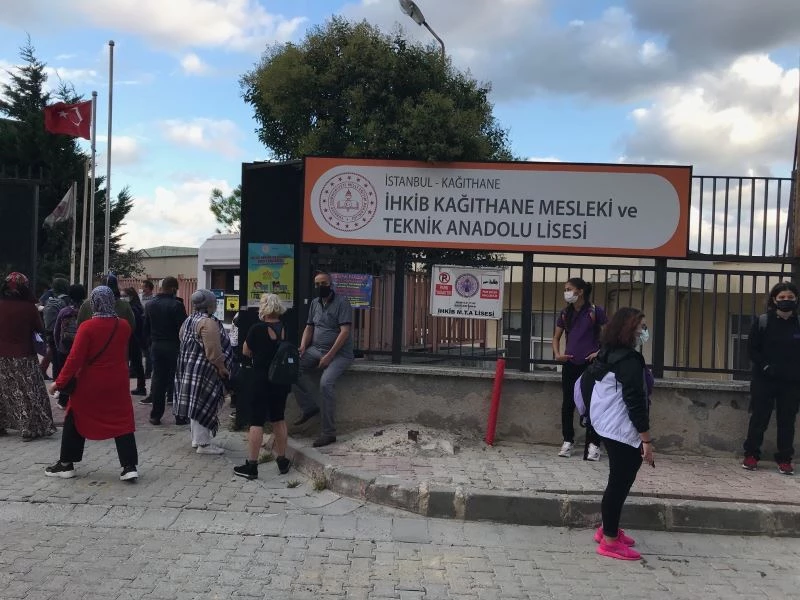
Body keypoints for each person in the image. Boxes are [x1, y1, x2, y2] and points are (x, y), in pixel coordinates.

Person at [45, 286, 139, 482]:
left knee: (75, 416)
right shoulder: (123, 326)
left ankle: (66, 464)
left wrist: (59, 383)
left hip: (90, 382)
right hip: (118, 381)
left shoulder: (87, 327)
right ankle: (129, 466)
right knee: (122, 420)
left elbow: (74, 359)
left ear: (94, 303)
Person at [588, 307, 652, 561]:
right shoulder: (629, 360)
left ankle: (608, 528)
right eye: (641, 327)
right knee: (619, 483)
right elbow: (635, 401)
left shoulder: (607, 352)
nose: (644, 331)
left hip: (606, 423)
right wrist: (646, 439)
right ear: (629, 329)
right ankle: (610, 541)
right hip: (621, 428)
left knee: (618, 480)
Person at [742, 281, 800, 475]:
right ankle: (751, 455)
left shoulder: (798, 323)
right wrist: (765, 366)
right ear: (774, 300)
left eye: (790, 297)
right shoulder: (763, 322)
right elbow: (752, 349)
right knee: (759, 418)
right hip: (764, 380)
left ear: (796, 299)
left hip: (791, 383)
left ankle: (785, 459)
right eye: (782, 297)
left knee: (787, 422)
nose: (786, 300)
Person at [293, 271, 354, 448]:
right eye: (317, 284)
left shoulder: (342, 303)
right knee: (292, 369)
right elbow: (309, 327)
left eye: (324, 283)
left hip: (339, 354)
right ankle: (309, 407)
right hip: (315, 350)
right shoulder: (314, 303)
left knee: (325, 384)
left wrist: (329, 356)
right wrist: (303, 346)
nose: (320, 287)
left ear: (331, 284)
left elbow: (345, 332)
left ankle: (328, 433)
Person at [234, 293, 292, 479]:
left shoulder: (257, 328)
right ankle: (282, 460)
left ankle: (252, 466)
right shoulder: (285, 327)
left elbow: (245, 350)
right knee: (279, 418)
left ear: (263, 308)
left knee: (256, 421)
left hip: (260, 379)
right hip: (280, 380)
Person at [552, 277, 607, 459]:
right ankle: (568, 440)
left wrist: (599, 352)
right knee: (568, 403)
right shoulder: (565, 313)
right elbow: (556, 337)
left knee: (593, 403)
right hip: (570, 363)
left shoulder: (595, 311)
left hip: (590, 365)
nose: (566, 292)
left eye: (569, 289)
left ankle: (594, 444)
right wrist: (558, 354)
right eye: (565, 289)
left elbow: (608, 335)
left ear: (580, 291)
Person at [174, 289, 234, 454]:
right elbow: (213, 350)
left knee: (196, 404)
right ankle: (204, 444)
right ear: (209, 305)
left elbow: (182, 337)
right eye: (214, 302)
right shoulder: (208, 322)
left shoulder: (189, 320)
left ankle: (197, 439)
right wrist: (222, 367)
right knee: (204, 403)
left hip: (189, 366)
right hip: (205, 370)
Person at [0, 272, 57, 440]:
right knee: (27, 391)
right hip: (24, 355)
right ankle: (29, 427)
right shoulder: (28, 307)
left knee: (3, 391)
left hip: (1, 355)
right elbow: (39, 328)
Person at [142, 276, 187, 425]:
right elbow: (183, 329)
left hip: (156, 346)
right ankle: (180, 416)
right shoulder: (177, 305)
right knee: (178, 379)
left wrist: (150, 344)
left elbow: (145, 328)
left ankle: (155, 415)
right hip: (174, 346)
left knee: (158, 380)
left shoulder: (150, 304)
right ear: (173, 289)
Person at [53, 284, 87, 409]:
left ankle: (63, 401)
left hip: (65, 347)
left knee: (65, 372)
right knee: (81, 374)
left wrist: (59, 346)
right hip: (82, 348)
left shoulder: (64, 311)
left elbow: (56, 331)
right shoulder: (87, 311)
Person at [42, 277, 70, 381]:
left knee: (55, 361)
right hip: (63, 335)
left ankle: (56, 382)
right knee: (63, 361)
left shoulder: (50, 301)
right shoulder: (66, 301)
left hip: (50, 333)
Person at [122, 287, 148, 397]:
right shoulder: (137, 307)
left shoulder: (133, 308)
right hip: (136, 338)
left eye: (125, 296)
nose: (123, 298)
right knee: (137, 364)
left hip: (133, 338)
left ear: (131, 296)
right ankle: (141, 387)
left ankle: (140, 387)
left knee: (133, 364)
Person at [140, 279, 155, 378]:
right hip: (141, 326)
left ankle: (148, 371)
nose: (142, 289)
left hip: (150, 327)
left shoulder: (154, 299)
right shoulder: (139, 298)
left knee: (149, 351)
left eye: (144, 287)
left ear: (149, 288)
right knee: (144, 351)